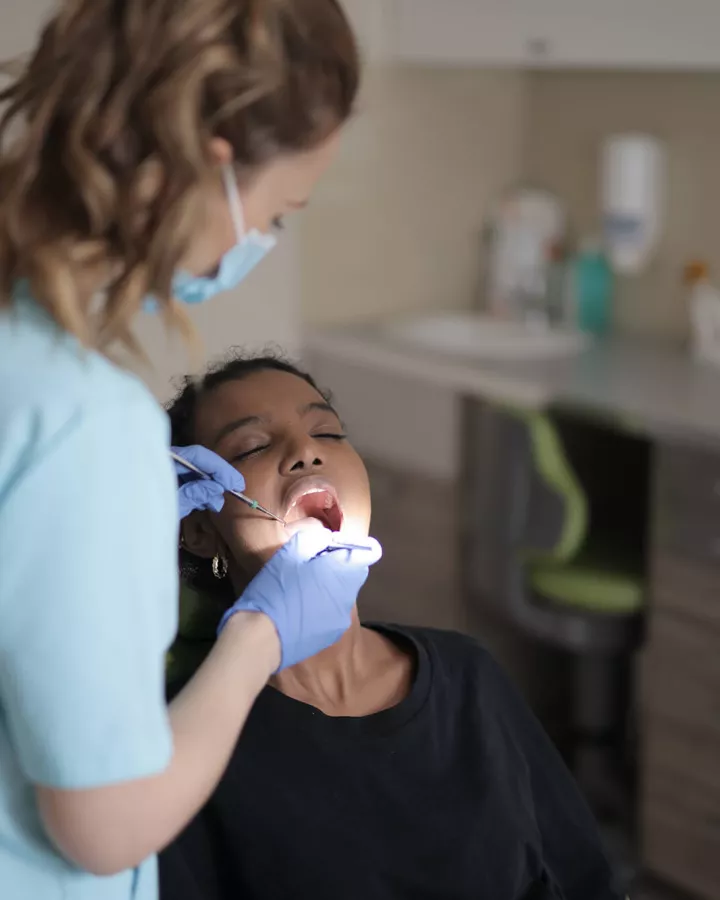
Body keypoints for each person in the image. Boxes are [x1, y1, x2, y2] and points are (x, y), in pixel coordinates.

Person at [0, 3, 381, 899]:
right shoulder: (80, 424)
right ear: (214, 166)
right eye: (279, 212)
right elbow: (104, 827)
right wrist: (260, 637)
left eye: (328, 430)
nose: (305, 457)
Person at [158, 353, 624, 900]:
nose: (307, 451)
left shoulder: (466, 673)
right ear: (198, 529)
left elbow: (586, 879)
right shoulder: (184, 740)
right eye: (253, 445)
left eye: (327, 431)